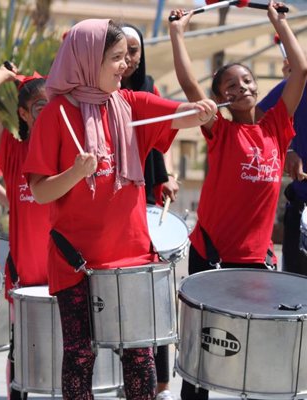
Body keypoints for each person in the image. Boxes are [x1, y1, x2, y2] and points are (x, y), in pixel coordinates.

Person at [22, 18, 217, 400]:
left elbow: (182, 114)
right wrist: (76, 173)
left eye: (126, 57)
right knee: (79, 356)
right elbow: (41, 193)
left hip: (129, 257)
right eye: (114, 58)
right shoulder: (55, 114)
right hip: (74, 260)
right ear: (87, 59)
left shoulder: (130, 103)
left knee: (139, 354)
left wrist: (201, 110)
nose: (125, 65)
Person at [169, 2, 307, 399]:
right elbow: (191, 88)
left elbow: (299, 71)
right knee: (203, 355)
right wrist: (178, 33)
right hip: (210, 253)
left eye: (246, 81)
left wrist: (278, 22)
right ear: (221, 99)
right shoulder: (221, 132)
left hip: (255, 259)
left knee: (254, 352)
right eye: (230, 87)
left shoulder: (277, 126)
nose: (241, 88)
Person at [0, 63, 51, 400]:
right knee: (21, 355)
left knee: (66, 358)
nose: (48, 112)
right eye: (39, 106)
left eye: (54, 104)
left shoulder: (71, 155)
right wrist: (6, 75)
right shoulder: (13, 152)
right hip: (24, 280)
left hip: (65, 279)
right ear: (23, 113)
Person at [120, 23, 177, 400]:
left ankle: (157, 382)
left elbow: (165, 130)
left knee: (153, 288)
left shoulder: (148, 86)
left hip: (148, 191)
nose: (128, 58)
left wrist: (168, 174)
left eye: (134, 50)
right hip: (114, 195)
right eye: (121, 49)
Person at [258, 59, 307, 276]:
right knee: (297, 297)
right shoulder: (302, 83)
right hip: (302, 204)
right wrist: (285, 149)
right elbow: (258, 115)